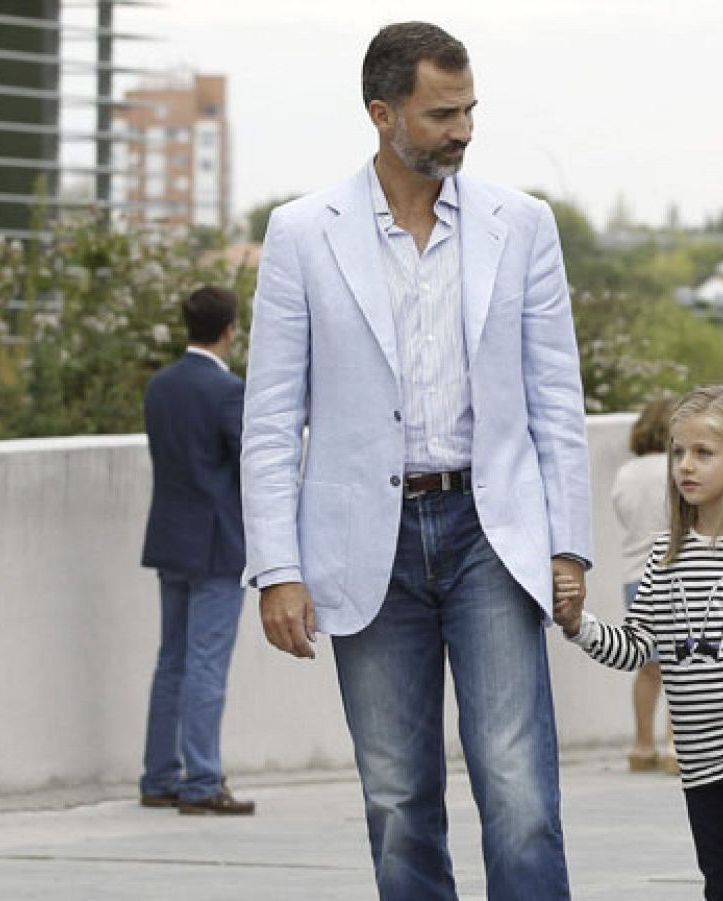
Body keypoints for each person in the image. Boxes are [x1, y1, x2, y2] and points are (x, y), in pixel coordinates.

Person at [241, 21, 591, 899]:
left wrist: (569, 544)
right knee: (398, 801)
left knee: (520, 792)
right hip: (368, 543)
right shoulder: (300, 234)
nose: (464, 130)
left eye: (470, 109)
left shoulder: (524, 225)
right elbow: (272, 419)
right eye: (442, 114)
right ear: (382, 113)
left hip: (491, 531)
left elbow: (558, 399)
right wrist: (278, 568)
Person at [552, 385, 723, 901]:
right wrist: (577, 623)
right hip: (699, 761)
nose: (685, 466)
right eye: (678, 452)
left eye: (703, 453)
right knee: (718, 887)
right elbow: (637, 646)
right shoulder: (664, 556)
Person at [138, 285, 255, 816]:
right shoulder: (228, 392)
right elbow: (251, 463)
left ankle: (160, 776)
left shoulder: (160, 387)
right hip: (216, 544)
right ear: (230, 330)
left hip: (170, 539)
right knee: (206, 664)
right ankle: (202, 781)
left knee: (172, 662)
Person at [612, 394, 679, 774]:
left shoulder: (627, 473)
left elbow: (621, 514)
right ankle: (675, 745)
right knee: (682, 662)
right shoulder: (675, 468)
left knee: (648, 664)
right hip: (672, 569)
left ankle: (641, 746)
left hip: (634, 574)